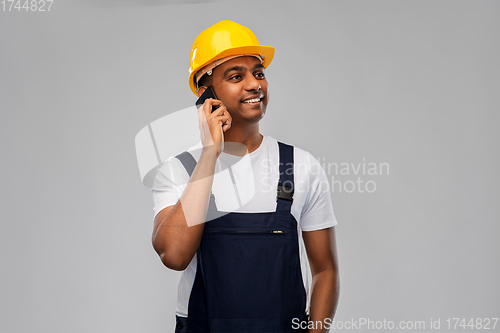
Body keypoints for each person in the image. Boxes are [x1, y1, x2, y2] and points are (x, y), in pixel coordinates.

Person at [151, 20, 339, 333]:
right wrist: (210, 153)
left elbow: (326, 271)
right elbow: (174, 254)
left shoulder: (301, 166)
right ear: (205, 92)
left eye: (259, 73)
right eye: (236, 76)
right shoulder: (180, 169)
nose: (254, 84)